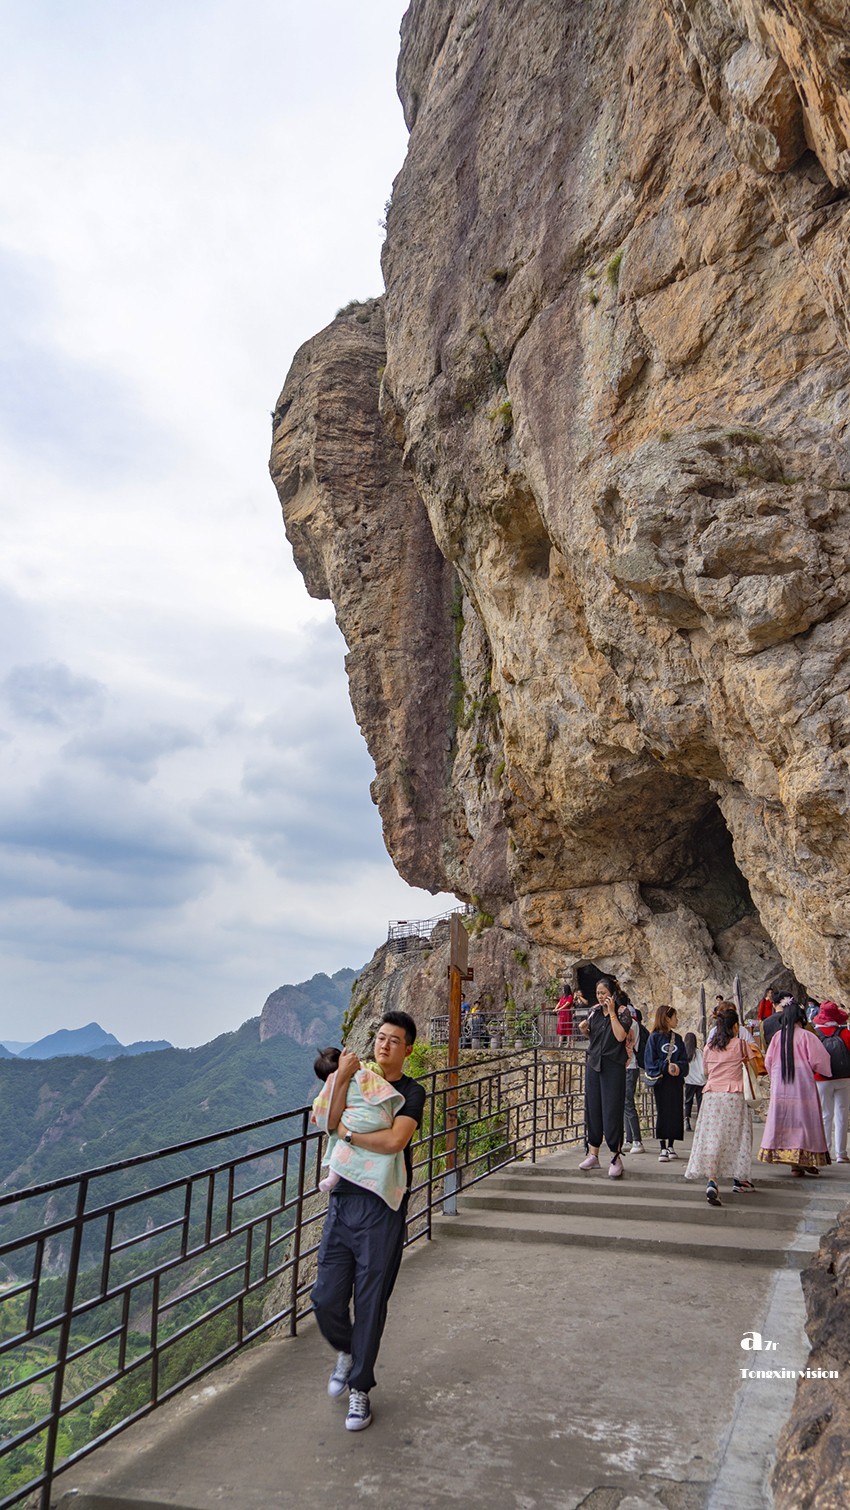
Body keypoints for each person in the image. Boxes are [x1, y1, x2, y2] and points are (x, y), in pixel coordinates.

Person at [310, 1010, 425, 1432]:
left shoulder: (412, 1092)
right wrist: (340, 1077)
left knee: (371, 1302)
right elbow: (325, 1119)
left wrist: (349, 1135)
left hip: (382, 1209)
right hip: (343, 1202)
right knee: (324, 1297)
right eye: (380, 1037)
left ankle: (360, 1388)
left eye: (394, 1040)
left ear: (407, 1049)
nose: (384, 1045)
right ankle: (347, 1350)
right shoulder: (358, 1079)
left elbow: (394, 1140)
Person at [311, 1049, 407, 1206]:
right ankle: (385, 1181)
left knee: (338, 1145)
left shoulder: (326, 1095)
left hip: (354, 1128)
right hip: (379, 1122)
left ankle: (332, 1177)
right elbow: (378, 1071)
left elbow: (324, 1117)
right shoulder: (365, 1071)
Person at [684, 1007, 759, 1205]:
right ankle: (739, 1179)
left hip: (711, 1098)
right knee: (738, 1137)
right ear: (735, 1027)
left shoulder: (709, 1048)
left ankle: (712, 1181)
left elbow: (707, 1073)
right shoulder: (741, 1045)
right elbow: (755, 1068)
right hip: (734, 1096)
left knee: (712, 1138)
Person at [758, 1001, 832, 1176]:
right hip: (802, 1086)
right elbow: (820, 1061)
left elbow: (768, 1062)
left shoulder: (777, 1037)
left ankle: (794, 1164)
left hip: (781, 1087)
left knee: (785, 1122)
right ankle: (804, 1159)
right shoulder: (807, 1036)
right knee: (804, 1121)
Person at [578, 975, 628, 1179]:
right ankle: (593, 1154)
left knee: (612, 1111)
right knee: (593, 1109)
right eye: (598, 993)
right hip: (594, 1064)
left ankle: (616, 1156)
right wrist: (585, 1031)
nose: (600, 997)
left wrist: (613, 1012)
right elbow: (595, 1038)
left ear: (612, 994)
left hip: (613, 1067)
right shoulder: (594, 1013)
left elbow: (619, 1036)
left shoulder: (623, 1013)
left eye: (604, 993)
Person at [644, 1005, 689, 1161]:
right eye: (675, 1017)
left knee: (676, 1113)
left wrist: (678, 1067)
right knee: (663, 1111)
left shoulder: (678, 1039)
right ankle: (662, 1146)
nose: (677, 1020)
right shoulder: (654, 1038)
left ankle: (671, 1145)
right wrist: (665, 1067)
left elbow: (684, 1060)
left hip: (676, 1082)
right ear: (667, 1018)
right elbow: (649, 1062)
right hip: (662, 1082)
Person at [813, 1001, 850, 1164]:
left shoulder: (815, 1035)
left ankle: (825, 1150)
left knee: (825, 1115)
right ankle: (841, 1153)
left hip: (822, 1079)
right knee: (842, 1114)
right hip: (844, 1077)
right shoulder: (846, 1034)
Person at [623, 1006, 644, 1153]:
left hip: (631, 1065)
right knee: (624, 1103)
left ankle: (637, 1140)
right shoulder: (632, 1023)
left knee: (628, 1102)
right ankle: (629, 1139)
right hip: (625, 1066)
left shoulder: (632, 1025)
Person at [683, 1032, 706, 1131]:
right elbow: (703, 1066)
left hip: (689, 1081)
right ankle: (700, 1122)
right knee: (700, 1102)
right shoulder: (699, 1052)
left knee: (688, 1101)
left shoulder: (684, 1053)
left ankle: (686, 1121)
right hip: (700, 1081)